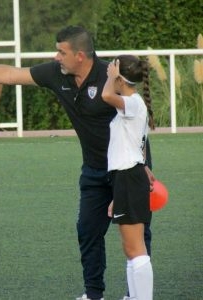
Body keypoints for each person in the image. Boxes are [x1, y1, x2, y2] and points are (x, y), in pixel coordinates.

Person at [0, 26, 155, 300]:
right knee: (87, 232)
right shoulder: (57, 74)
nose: (56, 57)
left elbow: (137, 125)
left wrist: (143, 164)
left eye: (61, 52)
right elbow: (9, 73)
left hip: (128, 169)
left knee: (137, 239)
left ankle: (133, 295)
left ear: (79, 55)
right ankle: (93, 294)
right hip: (93, 171)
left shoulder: (110, 77)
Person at [102, 56, 155, 300]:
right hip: (126, 179)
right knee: (130, 248)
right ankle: (133, 297)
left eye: (112, 72)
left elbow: (106, 97)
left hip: (130, 177)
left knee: (136, 248)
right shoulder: (133, 105)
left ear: (120, 78)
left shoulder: (133, 103)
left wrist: (111, 78)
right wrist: (117, 195)